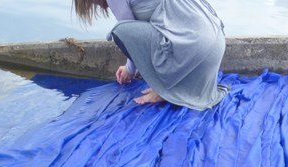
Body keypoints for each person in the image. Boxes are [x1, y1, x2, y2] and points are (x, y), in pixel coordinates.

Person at [73, 0, 228, 110]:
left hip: (197, 49)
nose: (100, 6)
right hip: (215, 46)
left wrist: (129, 69)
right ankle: (170, 85)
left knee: (120, 30)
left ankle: (166, 90)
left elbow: (129, 30)